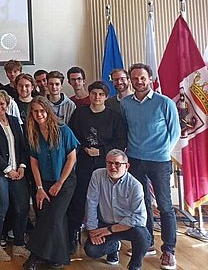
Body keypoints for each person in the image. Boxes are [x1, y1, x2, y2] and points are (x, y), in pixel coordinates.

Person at [121, 63, 180, 269]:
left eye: (142, 78)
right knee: (142, 204)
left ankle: (169, 250)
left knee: (164, 206)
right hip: (135, 160)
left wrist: (163, 151)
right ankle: (147, 244)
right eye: (135, 78)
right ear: (130, 80)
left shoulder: (164, 103)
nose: (139, 81)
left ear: (150, 78)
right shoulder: (126, 103)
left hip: (159, 161)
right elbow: (126, 130)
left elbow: (175, 132)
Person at [66, 81, 127, 254]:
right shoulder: (80, 113)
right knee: (79, 198)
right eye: (94, 93)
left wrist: (100, 151)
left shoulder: (114, 117)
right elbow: (71, 135)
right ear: (89, 94)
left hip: (106, 164)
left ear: (106, 97)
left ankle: (109, 239)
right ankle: (73, 234)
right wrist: (83, 148)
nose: (97, 97)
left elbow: (120, 142)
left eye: (101, 94)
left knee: (105, 201)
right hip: (83, 163)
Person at [23, 96, 78, 270]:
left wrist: (60, 183)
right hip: (44, 182)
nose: (39, 114)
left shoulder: (63, 130)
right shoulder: (33, 133)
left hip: (65, 181)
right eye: (35, 111)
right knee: (50, 217)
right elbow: (34, 162)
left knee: (53, 217)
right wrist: (39, 188)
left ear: (48, 111)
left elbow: (71, 159)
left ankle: (34, 255)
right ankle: (58, 257)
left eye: (41, 111)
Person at [0, 91, 30, 262]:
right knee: (1, 207)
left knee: (22, 207)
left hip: (19, 171)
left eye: (2, 103)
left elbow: (23, 146)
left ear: (7, 104)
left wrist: (22, 166)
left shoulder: (15, 122)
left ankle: (18, 244)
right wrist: (8, 169)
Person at [83, 149, 150, 270]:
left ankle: (135, 266)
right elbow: (91, 202)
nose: (112, 167)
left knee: (144, 237)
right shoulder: (97, 175)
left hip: (126, 226)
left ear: (127, 166)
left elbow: (140, 218)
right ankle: (114, 247)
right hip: (104, 223)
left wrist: (110, 230)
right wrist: (92, 230)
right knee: (91, 250)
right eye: (109, 163)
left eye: (117, 163)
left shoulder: (135, 185)